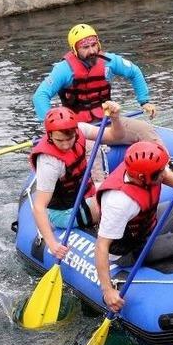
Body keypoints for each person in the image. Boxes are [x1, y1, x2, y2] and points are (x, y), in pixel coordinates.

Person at [33, 23, 163, 181]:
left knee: (145, 129)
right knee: (91, 150)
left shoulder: (109, 61)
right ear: (75, 50)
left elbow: (134, 72)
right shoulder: (64, 70)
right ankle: (98, 188)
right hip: (79, 129)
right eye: (85, 47)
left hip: (107, 123)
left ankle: (166, 167)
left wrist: (144, 101)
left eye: (94, 45)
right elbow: (40, 96)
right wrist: (54, 127)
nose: (92, 51)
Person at [95, 142, 173, 312]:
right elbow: (102, 245)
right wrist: (107, 290)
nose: (165, 174)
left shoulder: (149, 171)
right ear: (141, 177)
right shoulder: (119, 202)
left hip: (145, 226)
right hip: (127, 251)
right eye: (160, 172)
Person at [29, 105, 125, 260]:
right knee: (118, 202)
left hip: (84, 196)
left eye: (70, 138)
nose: (66, 145)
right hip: (65, 213)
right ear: (49, 135)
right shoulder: (49, 162)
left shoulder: (80, 129)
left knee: (122, 188)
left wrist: (115, 118)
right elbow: (39, 207)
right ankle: (117, 248)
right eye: (60, 140)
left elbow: (116, 136)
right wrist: (53, 244)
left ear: (75, 131)